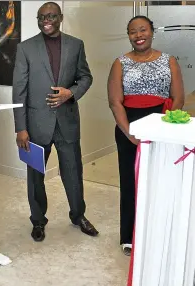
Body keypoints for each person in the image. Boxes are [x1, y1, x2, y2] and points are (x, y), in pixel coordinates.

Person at [12, 2, 99, 242]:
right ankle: (38, 220)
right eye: (41, 17)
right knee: (35, 176)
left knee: (73, 171)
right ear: (37, 20)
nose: (46, 20)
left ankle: (78, 215)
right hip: (35, 124)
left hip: (67, 122)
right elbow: (18, 91)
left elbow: (85, 77)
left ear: (60, 17)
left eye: (51, 16)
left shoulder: (76, 45)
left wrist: (70, 93)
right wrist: (21, 128)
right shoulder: (25, 48)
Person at [107, 15, 184, 256]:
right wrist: (130, 133)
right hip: (129, 126)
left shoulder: (169, 60)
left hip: (162, 126)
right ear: (128, 35)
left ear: (152, 32)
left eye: (143, 30)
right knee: (130, 182)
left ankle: (158, 231)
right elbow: (114, 102)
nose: (138, 35)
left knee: (159, 181)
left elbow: (178, 97)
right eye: (133, 32)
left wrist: (163, 129)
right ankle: (129, 236)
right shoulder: (120, 62)